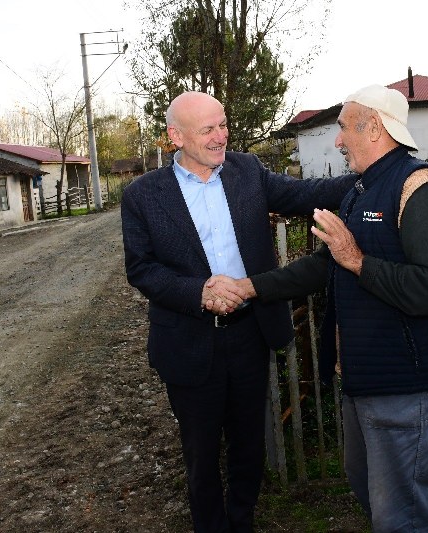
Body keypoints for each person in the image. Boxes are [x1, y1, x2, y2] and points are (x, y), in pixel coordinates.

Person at [208, 85, 428, 532]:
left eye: (342, 128)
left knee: (402, 512)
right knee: (365, 484)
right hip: (366, 377)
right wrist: (249, 287)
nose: (336, 141)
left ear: (372, 127)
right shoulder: (362, 190)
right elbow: (323, 266)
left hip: (405, 381)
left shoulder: (420, 187)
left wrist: (356, 259)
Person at [120, 91, 355, 533]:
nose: (221, 136)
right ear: (176, 136)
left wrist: (376, 174)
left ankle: (242, 519)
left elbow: (308, 194)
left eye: (223, 125)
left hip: (250, 332)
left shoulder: (247, 170)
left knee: (250, 444)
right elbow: (142, 269)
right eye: (208, 129)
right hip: (189, 339)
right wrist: (199, 290)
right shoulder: (142, 195)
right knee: (201, 452)